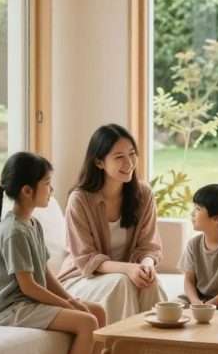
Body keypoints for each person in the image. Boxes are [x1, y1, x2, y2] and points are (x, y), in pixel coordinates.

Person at [0, 151, 105, 354]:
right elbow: (28, 287)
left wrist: (72, 300)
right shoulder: (15, 232)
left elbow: (46, 275)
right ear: (27, 191)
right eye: (47, 183)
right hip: (12, 309)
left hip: (28, 303)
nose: (52, 190)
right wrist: (67, 305)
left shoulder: (33, 225)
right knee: (87, 322)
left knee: (97, 311)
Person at [60, 124, 166, 322]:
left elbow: (149, 245)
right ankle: (121, 350)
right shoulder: (80, 199)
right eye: (119, 157)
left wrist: (146, 264)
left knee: (151, 283)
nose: (129, 163)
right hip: (81, 279)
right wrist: (128, 269)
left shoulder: (143, 194)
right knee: (122, 283)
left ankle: (157, 350)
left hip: (125, 275)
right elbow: (85, 258)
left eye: (132, 154)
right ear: (99, 162)